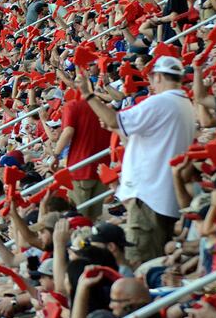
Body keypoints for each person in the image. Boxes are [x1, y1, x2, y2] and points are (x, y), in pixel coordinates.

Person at [78, 55, 196, 264]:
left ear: (158, 77)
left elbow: (112, 118)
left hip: (150, 197)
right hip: (163, 196)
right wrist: (116, 126)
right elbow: (136, 135)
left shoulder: (161, 101)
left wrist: (88, 95)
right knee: (155, 260)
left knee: (139, 261)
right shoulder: (184, 103)